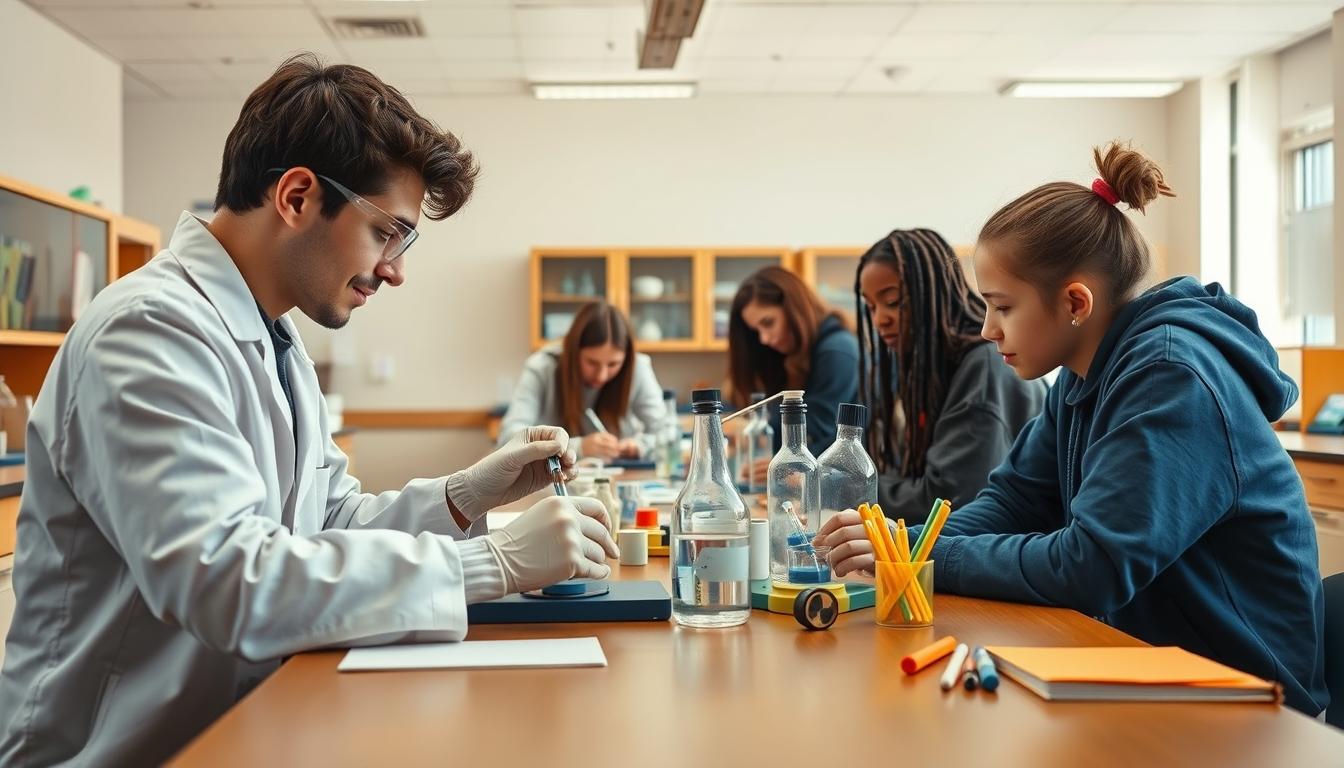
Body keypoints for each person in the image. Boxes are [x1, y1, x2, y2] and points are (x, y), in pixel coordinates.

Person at [0, 55, 620, 765]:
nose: (396, 270)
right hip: (121, 748)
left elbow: (325, 521)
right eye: (388, 232)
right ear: (297, 196)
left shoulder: (275, 332)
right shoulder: (146, 331)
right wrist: (490, 565)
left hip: (248, 723)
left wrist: (460, 497)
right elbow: (227, 580)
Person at [818, 142, 1328, 715]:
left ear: (1076, 302)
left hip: (1242, 698)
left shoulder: (1170, 376)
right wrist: (913, 553)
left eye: (1002, 307)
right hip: (1143, 663)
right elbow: (1015, 500)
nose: (987, 329)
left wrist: (920, 554)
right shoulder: (1086, 374)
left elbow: (1092, 566)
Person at [856, 228, 1046, 523]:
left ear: (934, 293)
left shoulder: (984, 366)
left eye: (892, 302)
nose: (879, 319)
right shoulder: (919, 369)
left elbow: (949, 499)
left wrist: (850, 488)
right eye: (870, 307)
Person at [728, 266, 858, 479]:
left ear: (793, 308)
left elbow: (819, 431)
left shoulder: (838, 350)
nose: (764, 339)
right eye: (756, 331)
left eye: (768, 323)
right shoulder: (793, 356)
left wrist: (787, 467)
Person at [499, 300, 665, 460]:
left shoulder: (637, 367)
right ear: (573, 351)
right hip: (552, 483)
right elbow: (509, 439)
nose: (601, 375)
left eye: (613, 364)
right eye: (592, 363)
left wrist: (641, 446)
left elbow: (667, 430)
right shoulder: (541, 368)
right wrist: (578, 447)